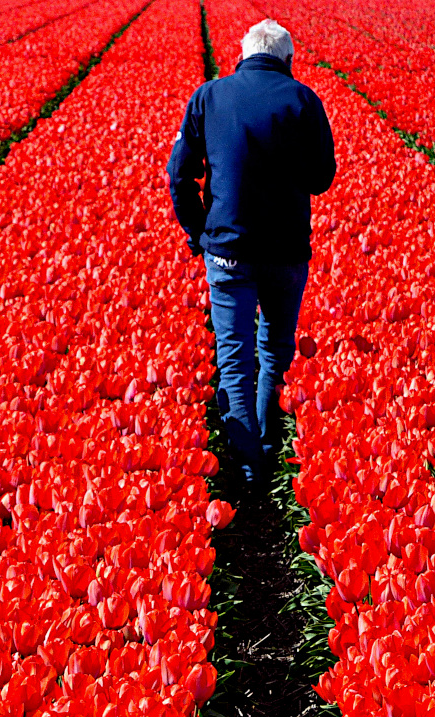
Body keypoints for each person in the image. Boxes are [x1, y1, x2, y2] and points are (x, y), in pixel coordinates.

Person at [166, 18, 336, 491]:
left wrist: (199, 232)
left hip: (227, 251)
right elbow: (322, 178)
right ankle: (265, 446)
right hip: (285, 252)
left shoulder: (209, 97)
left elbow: (179, 175)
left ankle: (246, 467)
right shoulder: (303, 100)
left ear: (239, 55)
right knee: (274, 349)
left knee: (235, 354)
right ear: (288, 61)